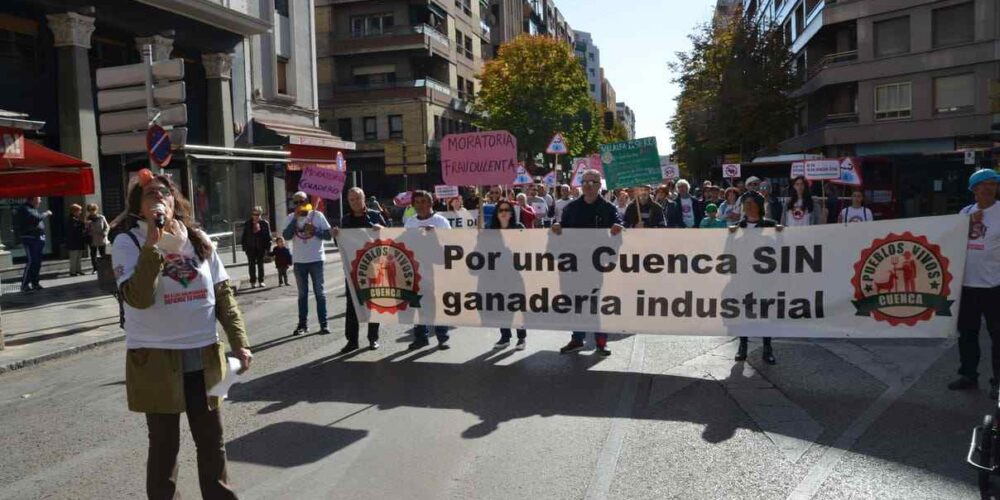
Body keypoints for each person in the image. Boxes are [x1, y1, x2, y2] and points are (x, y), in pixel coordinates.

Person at [111, 169, 251, 500]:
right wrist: (152, 246)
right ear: (139, 207)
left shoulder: (198, 240)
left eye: (165, 192)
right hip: (155, 360)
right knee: (164, 448)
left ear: (175, 201)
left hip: (204, 356)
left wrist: (240, 343)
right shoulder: (127, 242)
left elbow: (224, 297)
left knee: (211, 442)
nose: (159, 197)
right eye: (150, 194)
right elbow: (139, 298)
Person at [552, 169, 624, 356]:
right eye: (584, 182)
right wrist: (558, 227)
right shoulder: (571, 208)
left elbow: (620, 226)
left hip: (599, 267)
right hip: (575, 266)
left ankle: (601, 342)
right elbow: (560, 229)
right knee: (577, 303)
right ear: (580, 185)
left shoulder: (609, 208)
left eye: (592, 182)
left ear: (600, 185)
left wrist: (618, 228)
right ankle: (577, 339)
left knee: (596, 303)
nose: (588, 185)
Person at [949, 169, 1000, 398]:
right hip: (967, 286)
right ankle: (969, 375)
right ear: (974, 189)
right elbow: (950, 239)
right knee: (967, 334)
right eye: (984, 184)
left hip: (994, 286)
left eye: (993, 184)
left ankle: (998, 382)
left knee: (997, 336)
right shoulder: (965, 212)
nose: (989, 188)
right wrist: (969, 221)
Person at [729, 191, 782, 364]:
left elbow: (782, 251)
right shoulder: (735, 228)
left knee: (766, 314)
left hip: (764, 280)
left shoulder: (771, 225)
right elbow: (727, 253)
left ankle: (768, 348)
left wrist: (781, 234)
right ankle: (742, 346)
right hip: (743, 279)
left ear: (759, 205)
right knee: (743, 313)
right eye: (746, 202)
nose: (748, 206)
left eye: (752, 202)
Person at [333, 187, 387, 354]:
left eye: (358, 198)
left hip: (375, 267)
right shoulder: (346, 220)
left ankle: (373, 338)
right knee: (352, 306)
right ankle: (352, 341)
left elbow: (390, 238)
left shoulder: (376, 216)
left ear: (364, 199)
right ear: (348, 202)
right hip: (353, 270)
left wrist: (382, 230)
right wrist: (336, 236)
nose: (355, 202)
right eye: (352, 200)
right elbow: (341, 246)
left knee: (374, 303)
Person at [404, 190, 453, 350]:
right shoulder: (410, 223)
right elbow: (404, 244)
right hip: (416, 269)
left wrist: (436, 235)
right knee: (418, 304)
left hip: (437, 268)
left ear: (431, 203)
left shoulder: (441, 222)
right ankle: (421, 337)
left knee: (438, 303)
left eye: (424, 201)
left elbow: (452, 244)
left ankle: (442, 336)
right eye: (417, 202)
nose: (420, 205)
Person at [282, 191, 333, 336]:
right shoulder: (291, 217)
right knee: (302, 294)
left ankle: (324, 324)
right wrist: (295, 221)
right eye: (295, 202)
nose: (299, 205)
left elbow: (329, 236)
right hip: (299, 261)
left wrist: (315, 230)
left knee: (319, 293)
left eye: (302, 201)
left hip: (316, 259)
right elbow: (286, 236)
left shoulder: (317, 216)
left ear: (307, 201)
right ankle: (302, 325)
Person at [489, 199, 528, 350]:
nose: (504, 213)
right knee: (501, 307)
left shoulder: (519, 227)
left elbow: (528, 248)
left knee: (517, 306)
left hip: (516, 274)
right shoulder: (490, 230)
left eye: (507, 210)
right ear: (496, 213)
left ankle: (521, 338)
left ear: (512, 213)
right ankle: (505, 337)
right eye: (501, 210)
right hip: (497, 275)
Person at [15, 196, 51, 292]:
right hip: (30, 238)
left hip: (37, 238)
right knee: (32, 261)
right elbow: (36, 218)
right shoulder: (25, 208)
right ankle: (24, 285)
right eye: (39, 198)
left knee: (37, 262)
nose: (40, 200)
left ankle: (35, 283)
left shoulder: (33, 209)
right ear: (33, 199)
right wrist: (46, 213)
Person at [241, 206, 272, 288]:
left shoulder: (264, 223)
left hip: (260, 247)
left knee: (260, 265)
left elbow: (268, 237)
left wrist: (268, 249)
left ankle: (261, 281)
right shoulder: (248, 223)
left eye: (258, 214)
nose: (256, 216)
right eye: (254, 214)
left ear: (260, 214)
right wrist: (244, 247)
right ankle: (252, 281)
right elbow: (244, 236)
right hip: (250, 247)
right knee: (251, 265)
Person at [86, 203, 110, 274]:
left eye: (93, 210)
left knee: (103, 254)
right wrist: (87, 225)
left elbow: (107, 227)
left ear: (96, 210)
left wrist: (105, 233)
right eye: (90, 210)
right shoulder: (87, 218)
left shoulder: (101, 217)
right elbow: (85, 229)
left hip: (101, 238)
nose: (92, 211)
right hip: (92, 238)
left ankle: (104, 268)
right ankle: (95, 268)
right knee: (93, 254)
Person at [66, 204, 87, 276]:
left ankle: (78, 270)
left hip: (78, 242)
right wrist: (83, 224)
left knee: (78, 257)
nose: (80, 212)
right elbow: (75, 230)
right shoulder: (71, 220)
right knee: (74, 258)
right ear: (74, 211)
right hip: (73, 242)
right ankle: (73, 272)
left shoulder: (76, 219)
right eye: (79, 211)